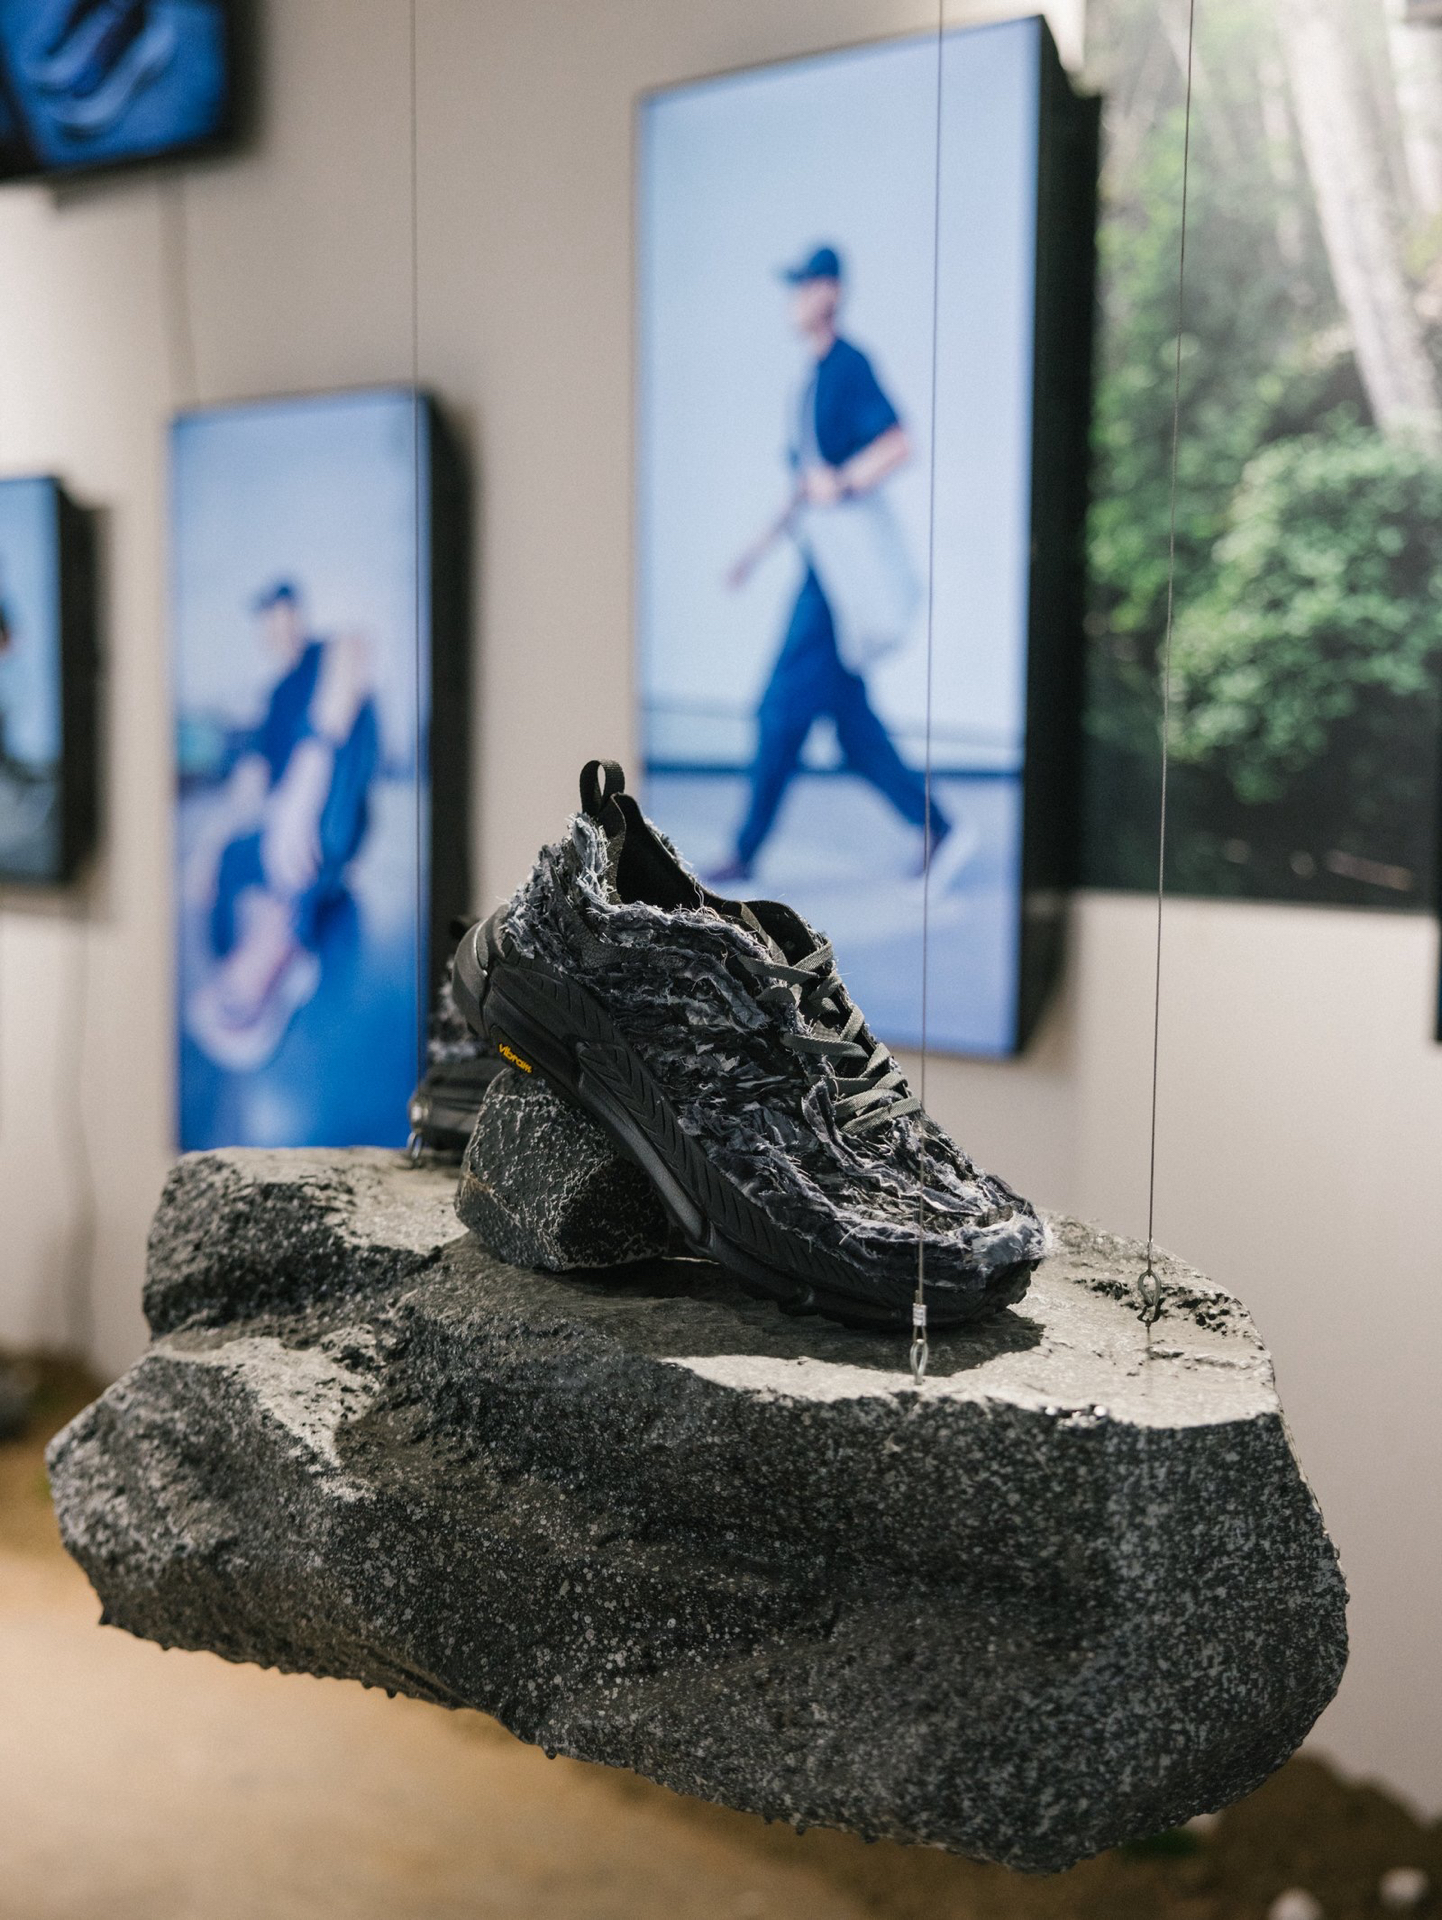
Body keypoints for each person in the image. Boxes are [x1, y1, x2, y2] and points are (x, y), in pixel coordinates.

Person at [710, 243, 952, 886]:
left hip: (837, 579)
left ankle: (745, 851)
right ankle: (939, 828)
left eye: (804, 286)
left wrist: (843, 483)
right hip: (823, 565)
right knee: (852, 730)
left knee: (778, 709)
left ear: (832, 292)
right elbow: (802, 486)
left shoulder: (848, 366)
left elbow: (898, 443)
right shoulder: (811, 379)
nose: (794, 299)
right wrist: (753, 554)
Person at [186, 581, 379, 1072]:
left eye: (284, 618)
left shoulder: (321, 658)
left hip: (302, 804)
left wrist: (303, 782)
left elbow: (353, 649)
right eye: (239, 1009)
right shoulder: (325, 920)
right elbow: (254, 772)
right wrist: (222, 829)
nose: (279, 633)